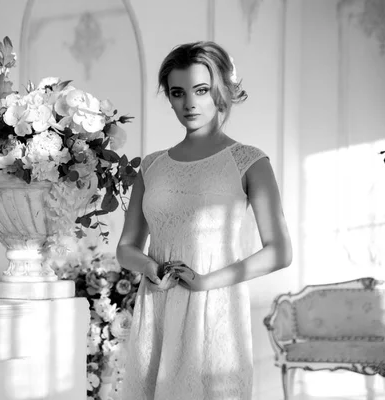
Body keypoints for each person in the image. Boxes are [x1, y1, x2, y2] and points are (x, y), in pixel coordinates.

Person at [116, 41, 292, 400]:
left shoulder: (249, 161)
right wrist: (150, 266)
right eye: (178, 92)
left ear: (222, 92)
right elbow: (125, 248)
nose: (189, 103)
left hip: (216, 313)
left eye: (201, 90)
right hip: (158, 309)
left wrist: (206, 282)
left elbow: (279, 253)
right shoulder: (151, 165)